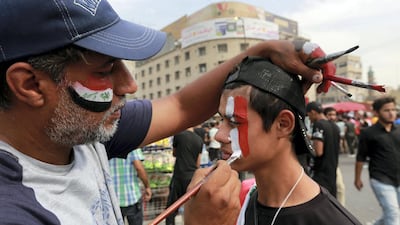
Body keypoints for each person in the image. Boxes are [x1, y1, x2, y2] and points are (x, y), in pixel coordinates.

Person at [0, 0, 324, 224]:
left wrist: (259, 51)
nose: (129, 85)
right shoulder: (14, 211)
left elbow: (181, 106)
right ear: (30, 85)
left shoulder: (76, 132)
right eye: (105, 71)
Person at [203, 56, 361, 224]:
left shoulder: (332, 221)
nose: (218, 135)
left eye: (234, 122)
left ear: (283, 125)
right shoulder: (235, 204)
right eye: (222, 121)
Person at [354, 96, 400, 225]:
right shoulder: (368, 133)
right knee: (393, 213)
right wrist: (357, 178)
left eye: (393, 109)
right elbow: (360, 157)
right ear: (376, 112)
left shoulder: (399, 131)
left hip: (398, 177)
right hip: (380, 178)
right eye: (386, 110)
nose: (391, 113)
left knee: (391, 214)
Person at [166, 127, 203, 225]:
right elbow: (198, 163)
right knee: (192, 207)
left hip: (179, 175)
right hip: (192, 177)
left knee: (171, 208)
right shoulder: (199, 139)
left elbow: (174, 153)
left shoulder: (179, 135)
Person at [306, 102, 340, 197]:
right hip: (332, 170)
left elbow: (318, 152)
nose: (309, 119)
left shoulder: (318, 125)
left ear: (313, 112)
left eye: (308, 116)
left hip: (321, 171)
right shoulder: (335, 126)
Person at [109, 148, 151, 225]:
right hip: (131, 196)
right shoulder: (131, 142)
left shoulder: (105, 143)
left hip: (112, 199)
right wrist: (147, 187)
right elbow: (139, 168)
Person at [323, 107, 346, 206]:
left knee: (340, 188)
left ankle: (341, 209)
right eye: (330, 115)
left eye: (334, 115)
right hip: (323, 164)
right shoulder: (320, 127)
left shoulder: (336, 128)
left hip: (333, 163)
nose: (332, 117)